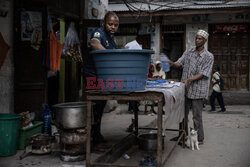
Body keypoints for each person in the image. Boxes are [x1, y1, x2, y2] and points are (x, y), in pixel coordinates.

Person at [169, 29, 214, 145]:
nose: (197, 40)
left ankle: (199, 138)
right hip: (185, 88)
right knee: (183, 114)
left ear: (205, 41)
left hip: (198, 90)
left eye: (200, 39)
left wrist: (189, 79)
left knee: (196, 116)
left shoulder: (209, 56)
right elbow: (180, 62)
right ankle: (182, 135)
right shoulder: (189, 52)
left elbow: (203, 73)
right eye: (196, 38)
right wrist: (173, 63)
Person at [86, 11, 119, 147]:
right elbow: (94, 43)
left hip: (104, 77)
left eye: (116, 25)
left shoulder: (112, 38)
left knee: (100, 106)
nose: (113, 27)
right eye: (110, 24)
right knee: (94, 106)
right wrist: (108, 54)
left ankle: (97, 135)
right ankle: (92, 139)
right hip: (92, 75)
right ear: (104, 23)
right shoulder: (99, 32)